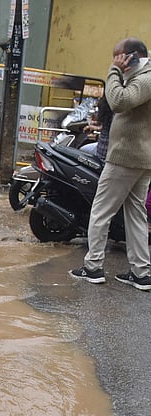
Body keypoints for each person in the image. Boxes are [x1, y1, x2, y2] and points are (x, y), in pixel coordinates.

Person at [70, 38, 151, 290]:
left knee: (101, 211)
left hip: (126, 158)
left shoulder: (146, 78)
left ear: (133, 56)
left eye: (119, 58)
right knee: (135, 214)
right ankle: (140, 272)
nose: (117, 62)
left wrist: (113, 72)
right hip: (138, 158)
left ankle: (92, 267)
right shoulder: (141, 76)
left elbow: (118, 102)